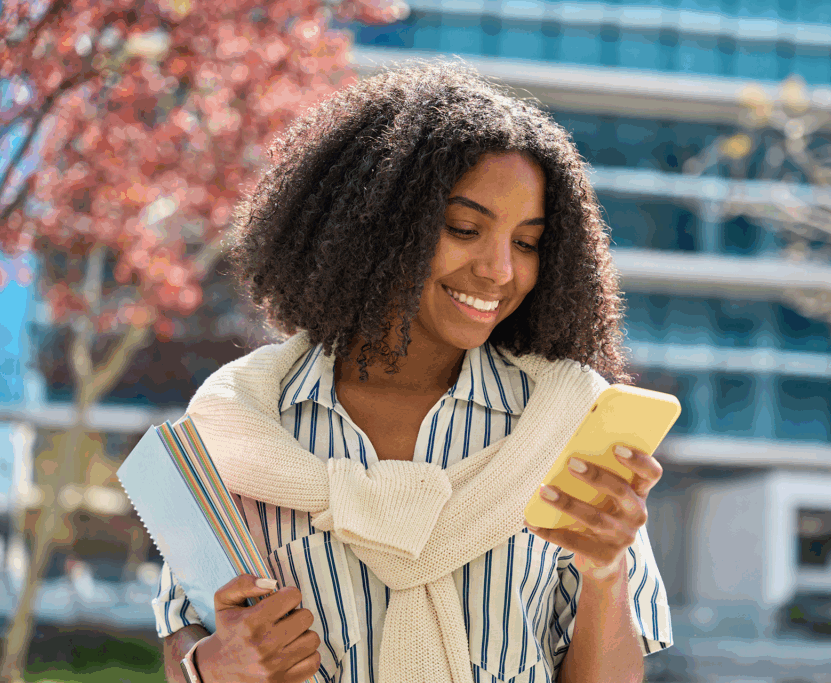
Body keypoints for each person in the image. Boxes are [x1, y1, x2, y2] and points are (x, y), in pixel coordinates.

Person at [156, 61, 672, 683]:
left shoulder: (567, 425)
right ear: (375, 228)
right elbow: (184, 625)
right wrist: (210, 667)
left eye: (527, 242)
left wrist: (606, 570)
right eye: (464, 228)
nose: (499, 270)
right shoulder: (233, 424)